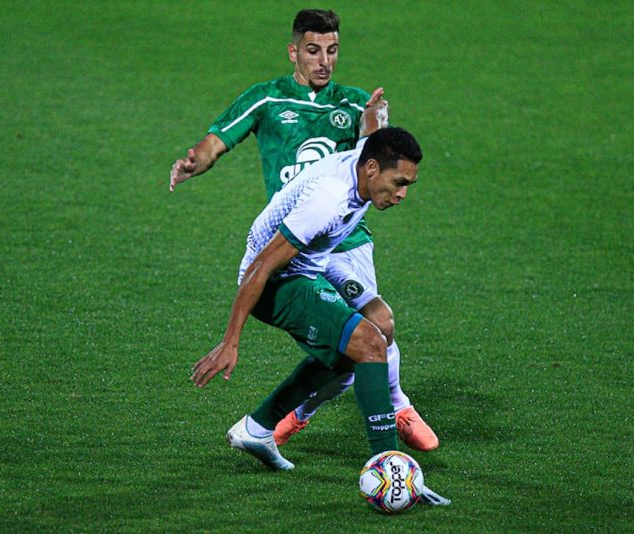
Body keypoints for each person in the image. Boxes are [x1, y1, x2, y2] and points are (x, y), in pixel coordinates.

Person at [171, 9, 438, 452]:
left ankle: (392, 404)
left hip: (344, 239)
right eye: (314, 51)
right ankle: (307, 416)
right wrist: (197, 159)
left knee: (377, 328)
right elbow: (217, 140)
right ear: (294, 51)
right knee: (361, 341)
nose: (324, 61)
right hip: (296, 240)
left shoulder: (353, 103)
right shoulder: (268, 99)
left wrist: (375, 117)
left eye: (332, 51)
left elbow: (379, 143)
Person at [190, 128, 449, 506]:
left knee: (360, 345)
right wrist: (231, 340)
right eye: (399, 182)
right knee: (370, 344)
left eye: (409, 183)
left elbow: (371, 136)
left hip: (312, 269)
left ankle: (258, 428)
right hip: (277, 282)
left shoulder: (366, 160)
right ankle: (392, 468)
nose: (402, 193)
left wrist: (373, 114)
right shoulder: (328, 199)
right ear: (372, 169)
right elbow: (261, 266)